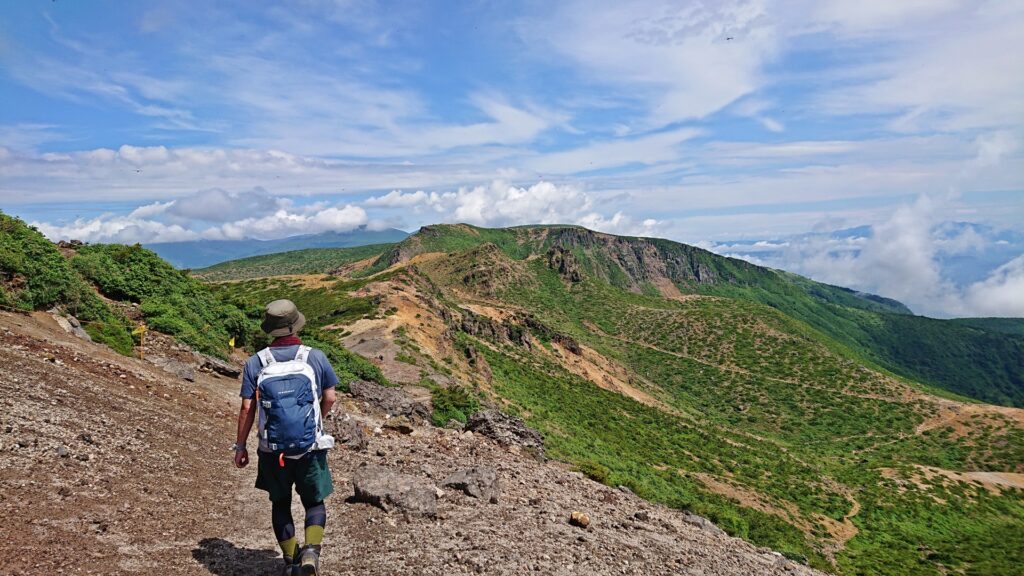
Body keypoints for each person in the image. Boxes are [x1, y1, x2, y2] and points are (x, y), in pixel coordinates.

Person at [233, 299, 338, 576]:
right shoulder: (315, 357)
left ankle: (292, 560)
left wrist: (241, 446)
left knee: (280, 503)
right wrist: (315, 424)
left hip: (272, 451)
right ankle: (311, 553)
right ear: (294, 324)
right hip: (310, 448)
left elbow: (247, 408)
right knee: (314, 502)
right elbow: (330, 398)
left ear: (271, 329)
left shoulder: (256, 362)